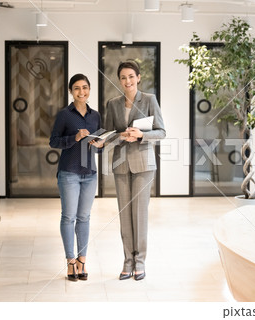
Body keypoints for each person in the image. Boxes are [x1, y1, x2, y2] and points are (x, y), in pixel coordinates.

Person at [105, 60, 166, 281]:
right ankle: (127, 261)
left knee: (139, 214)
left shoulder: (149, 100)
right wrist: (120, 136)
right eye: (123, 77)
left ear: (138, 77)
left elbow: (161, 132)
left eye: (131, 76)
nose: (127, 81)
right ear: (119, 80)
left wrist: (141, 135)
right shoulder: (112, 104)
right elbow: (108, 134)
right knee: (125, 216)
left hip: (143, 164)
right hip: (121, 164)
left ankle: (140, 261)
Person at [50, 73, 104, 281]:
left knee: (84, 218)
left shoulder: (95, 116)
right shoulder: (65, 114)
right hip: (69, 173)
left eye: (85, 88)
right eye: (77, 88)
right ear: (71, 92)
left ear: (89, 89)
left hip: (90, 173)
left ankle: (82, 261)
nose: (82, 92)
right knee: (68, 217)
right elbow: (53, 141)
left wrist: (100, 144)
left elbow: (98, 146)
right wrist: (75, 137)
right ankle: (70, 261)